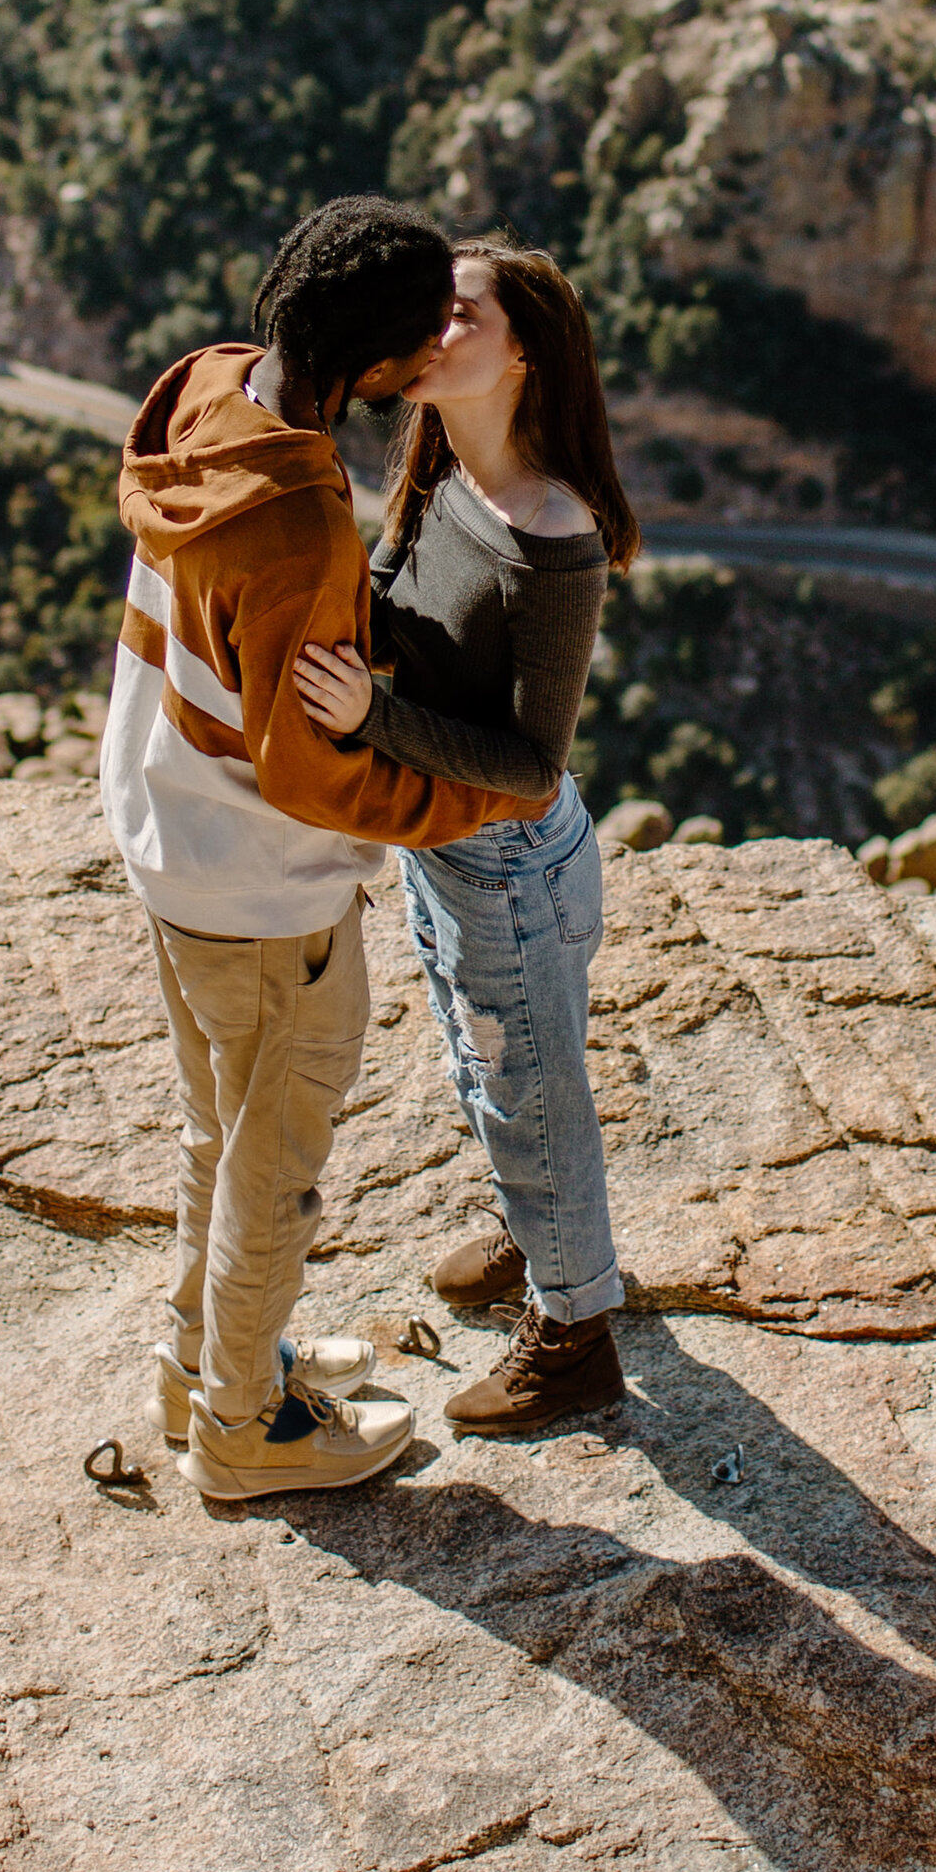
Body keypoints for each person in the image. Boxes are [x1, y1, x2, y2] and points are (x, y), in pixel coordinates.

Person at [102, 195, 535, 1504]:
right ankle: (246, 1429)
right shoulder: (301, 525)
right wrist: (465, 801)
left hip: (166, 838)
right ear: (390, 367)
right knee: (273, 1166)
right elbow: (310, 769)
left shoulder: (205, 393)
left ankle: (212, 1365)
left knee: (215, 1136)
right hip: (260, 885)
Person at [292, 237, 639, 1436]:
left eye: (460, 319)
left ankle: (576, 1327)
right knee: (490, 1069)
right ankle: (531, 1219)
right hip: (444, 845)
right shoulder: (440, 469)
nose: (431, 337)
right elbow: (392, 605)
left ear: (526, 352)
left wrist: (370, 717)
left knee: (533, 1091)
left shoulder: (554, 538)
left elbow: (532, 765)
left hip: (510, 861)